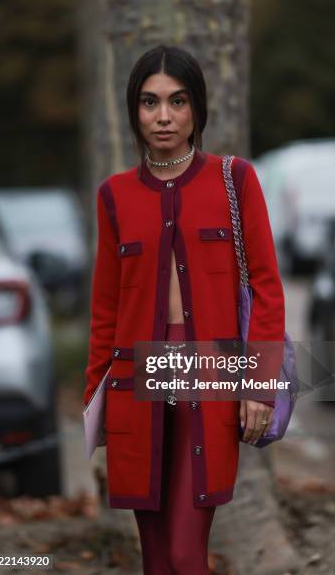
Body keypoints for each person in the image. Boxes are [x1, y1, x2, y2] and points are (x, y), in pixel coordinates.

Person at [83, 44, 285, 575]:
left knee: (184, 553)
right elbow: (105, 308)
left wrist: (259, 386)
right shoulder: (114, 197)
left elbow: (266, 287)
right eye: (150, 103)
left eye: (178, 101)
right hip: (133, 389)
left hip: (212, 381)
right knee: (155, 559)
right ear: (134, 111)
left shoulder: (234, 179)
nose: (164, 116)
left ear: (197, 108)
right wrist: (94, 400)